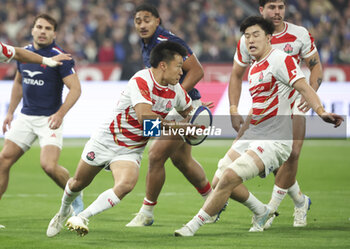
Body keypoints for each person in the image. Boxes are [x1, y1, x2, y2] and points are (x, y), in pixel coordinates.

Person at [174, 16, 343, 237]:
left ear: (268, 38)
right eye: (247, 36)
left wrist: (321, 112)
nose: (250, 40)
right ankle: (262, 210)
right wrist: (241, 136)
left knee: (229, 177)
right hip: (253, 133)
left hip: (275, 139)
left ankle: (193, 225)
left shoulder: (281, 59)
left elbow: (303, 86)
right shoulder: (254, 68)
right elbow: (257, 107)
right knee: (217, 180)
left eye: (256, 35)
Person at [46, 41, 198, 237]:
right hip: (106, 140)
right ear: (163, 65)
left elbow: (188, 111)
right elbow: (145, 119)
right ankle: (62, 211)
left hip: (131, 149)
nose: (181, 72)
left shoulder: (177, 91)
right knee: (77, 183)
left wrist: (196, 121)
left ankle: (82, 216)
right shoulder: (141, 80)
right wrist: (180, 127)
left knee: (126, 184)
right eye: (178, 66)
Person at [211, 0, 323, 228]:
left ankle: (269, 210)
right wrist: (233, 108)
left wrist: (311, 93)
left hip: (292, 101)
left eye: (281, 7)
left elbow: (316, 65)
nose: (277, 12)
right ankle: (300, 201)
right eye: (272, 7)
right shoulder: (249, 38)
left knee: (291, 154)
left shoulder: (299, 34)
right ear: (261, 10)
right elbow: (235, 74)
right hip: (263, 105)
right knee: (257, 158)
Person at [126, 3, 219, 227]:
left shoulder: (166, 42)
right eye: (138, 21)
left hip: (181, 104)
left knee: (156, 155)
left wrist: (177, 97)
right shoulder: (147, 43)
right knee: (182, 161)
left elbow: (197, 70)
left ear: (158, 21)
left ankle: (147, 213)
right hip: (174, 104)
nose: (142, 24)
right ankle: (214, 202)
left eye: (147, 19)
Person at [0, 14, 83, 225]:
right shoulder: (24, 53)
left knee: (48, 165)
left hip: (49, 119)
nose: (43, 31)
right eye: (39, 27)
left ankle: (75, 194)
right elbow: (19, 83)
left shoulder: (61, 57)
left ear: (54, 33)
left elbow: (76, 89)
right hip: (26, 117)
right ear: (32, 30)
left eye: (48, 28)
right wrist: (11, 112)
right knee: (3, 161)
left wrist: (60, 114)